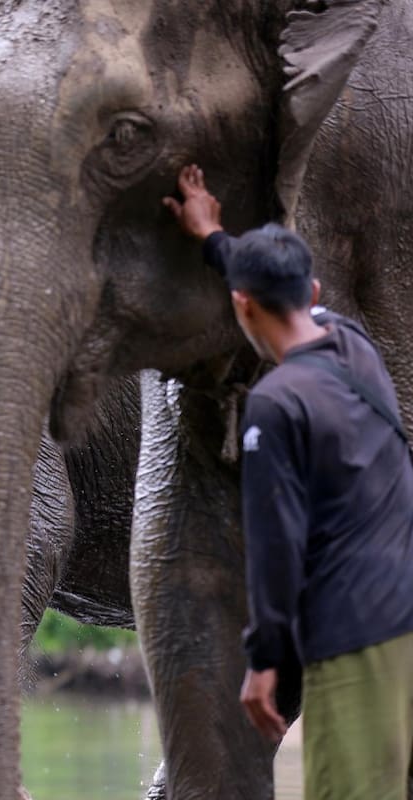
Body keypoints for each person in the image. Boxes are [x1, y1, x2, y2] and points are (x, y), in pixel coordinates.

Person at [164, 164, 413, 800]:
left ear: (242, 306)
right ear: (314, 291)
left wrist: (263, 661)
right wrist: (214, 237)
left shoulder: (275, 405)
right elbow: (275, 294)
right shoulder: (353, 344)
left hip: (358, 634)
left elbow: (276, 547)